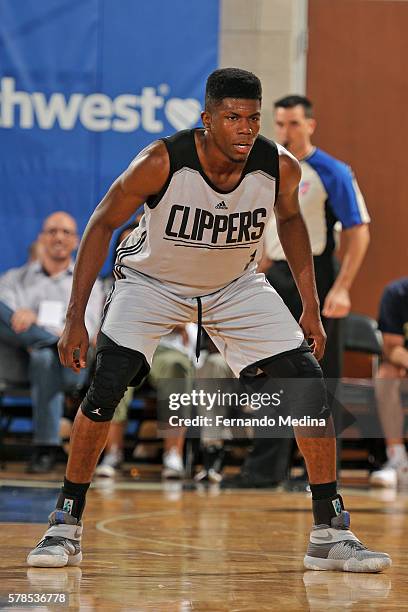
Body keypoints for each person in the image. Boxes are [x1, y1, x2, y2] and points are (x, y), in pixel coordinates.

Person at [26, 68, 390, 572]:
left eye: (253, 118)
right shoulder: (162, 161)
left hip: (233, 286)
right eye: (233, 117)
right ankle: (65, 522)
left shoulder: (279, 167)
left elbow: (289, 220)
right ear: (207, 120)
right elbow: (102, 223)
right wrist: (74, 317)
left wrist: (309, 304)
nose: (245, 128)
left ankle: (329, 531)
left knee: (308, 385)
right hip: (151, 284)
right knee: (107, 385)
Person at [222, 94, 370, 489]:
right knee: (274, 375)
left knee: (321, 378)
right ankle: (264, 471)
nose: (286, 131)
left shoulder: (332, 171)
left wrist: (342, 289)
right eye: (280, 124)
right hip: (277, 277)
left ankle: (319, 476)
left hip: (318, 276)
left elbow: (359, 232)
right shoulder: (271, 167)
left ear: (310, 125)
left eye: (294, 124)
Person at [0, 212, 103, 472]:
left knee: (44, 356)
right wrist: (52, 334)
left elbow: (88, 329)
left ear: (77, 242)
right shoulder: (14, 279)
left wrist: (36, 323)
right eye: (52, 231)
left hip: (72, 365)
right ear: (41, 238)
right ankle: (46, 448)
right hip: (21, 363)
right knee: (40, 353)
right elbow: (7, 317)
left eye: (66, 232)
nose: (59, 237)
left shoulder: (89, 284)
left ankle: (45, 448)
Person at [369, 277, 408, 488]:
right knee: (385, 376)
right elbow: (392, 348)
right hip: (402, 369)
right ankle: (398, 460)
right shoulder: (397, 294)